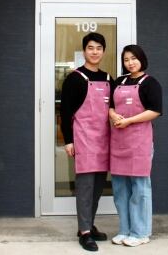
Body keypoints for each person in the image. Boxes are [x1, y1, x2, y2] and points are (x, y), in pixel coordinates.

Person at [60, 32, 115, 252]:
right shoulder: (74, 78)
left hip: (104, 140)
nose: (95, 52)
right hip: (83, 139)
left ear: (103, 51)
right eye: (90, 48)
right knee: (85, 188)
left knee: (98, 188)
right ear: (84, 51)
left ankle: (89, 225)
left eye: (99, 48)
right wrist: (68, 140)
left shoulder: (109, 78)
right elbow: (65, 113)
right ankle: (84, 233)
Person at [108, 44, 162, 247]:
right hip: (119, 141)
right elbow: (110, 107)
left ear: (142, 59)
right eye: (126, 59)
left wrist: (129, 121)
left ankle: (140, 232)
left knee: (140, 188)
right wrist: (113, 115)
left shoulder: (150, 83)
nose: (130, 63)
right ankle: (125, 229)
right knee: (120, 188)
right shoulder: (119, 82)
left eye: (134, 58)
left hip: (140, 141)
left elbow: (155, 111)